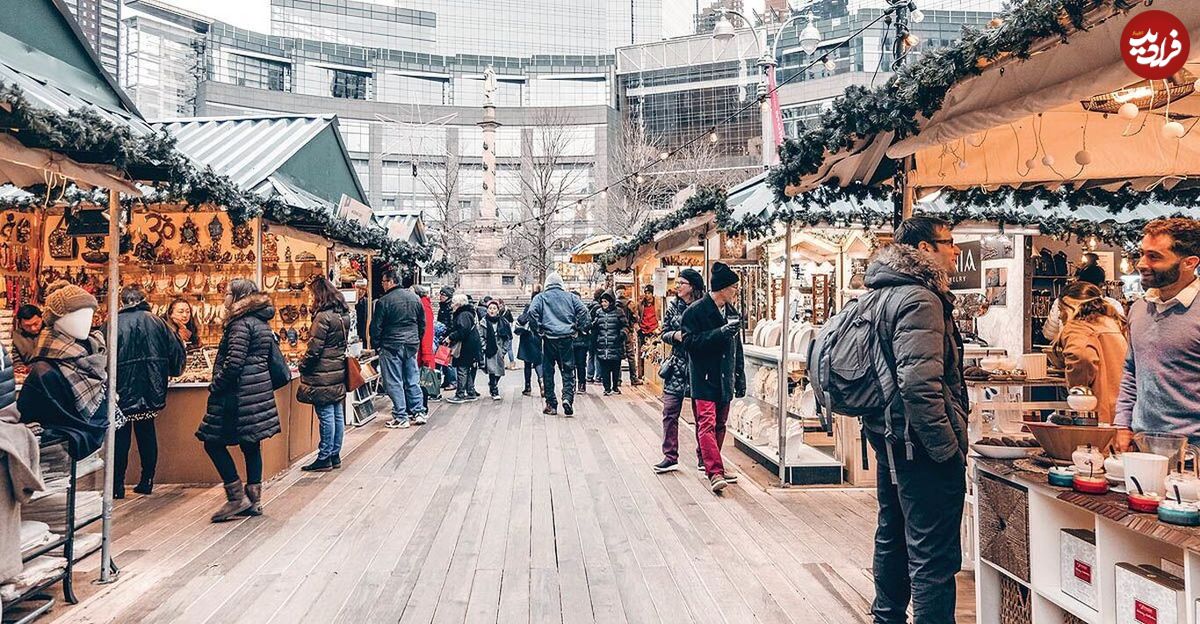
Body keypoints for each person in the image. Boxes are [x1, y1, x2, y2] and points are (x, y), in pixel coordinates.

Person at [859, 216, 969, 624]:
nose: (956, 250)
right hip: (918, 442)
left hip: (889, 436)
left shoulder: (879, 293)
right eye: (949, 242)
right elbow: (919, 383)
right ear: (925, 249)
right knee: (933, 555)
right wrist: (947, 447)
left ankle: (886, 616)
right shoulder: (921, 300)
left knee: (894, 534)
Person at [197, 280, 281, 522]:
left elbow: (234, 363)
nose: (224, 298)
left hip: (237, 394)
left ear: (238, 297)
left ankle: (236, 497)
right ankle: (254, 499)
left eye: (227, 294)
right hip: (256, 393)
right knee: (251, 443)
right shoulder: (260, 322)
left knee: (211, 442)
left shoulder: (240, 325)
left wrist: (216, 385)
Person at [1116, 218, 1200, 449]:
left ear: (1189, 263)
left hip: (1193, 453)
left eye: (1154, 256)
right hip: (1141, 446)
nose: (1142, 264)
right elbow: (1132, 371)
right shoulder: (1140, 308)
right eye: (1142, 254)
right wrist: (1122, 425)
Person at [17, 283, 108, 460]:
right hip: (58, 456)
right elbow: (27, 414)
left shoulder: (93, 355)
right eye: (77, 315)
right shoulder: (44, 371)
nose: (86, 321)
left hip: (85, 457)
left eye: (89, 314)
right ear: (56, 319)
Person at [680, 262, 746, 493]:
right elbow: (689, 343)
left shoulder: (732, 312)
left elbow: (737, 346)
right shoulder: (695, 312)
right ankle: (714, 470)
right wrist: (718, 334)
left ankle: (713, 461)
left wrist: (739, 374)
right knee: (706, 424)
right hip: (704, 377)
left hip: (724, 376)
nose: (736, 292)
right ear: (722, 289)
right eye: (733, 288)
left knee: (720, 424)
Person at [114, 287, 185, 498]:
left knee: (121, 435)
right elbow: (175, 356)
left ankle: (117, 484)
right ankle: (147, 480)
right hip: (150, 387)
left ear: (123, 301)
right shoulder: (158, 322)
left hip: (121, 389)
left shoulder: (113, 323)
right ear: (143, 299)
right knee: (146, 431)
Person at [1049, 282, 1128, 425]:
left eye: (1061, 309)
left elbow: (1082, 356)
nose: (1060, 315)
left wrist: (1078, 391)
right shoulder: (1114, 323)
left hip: (1094, 413)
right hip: (1122, 411)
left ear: (1070, 306)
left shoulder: (1078, 327)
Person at [653, 268, 704, 473]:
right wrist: (675, 335)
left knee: (701, 415)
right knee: (669, 411)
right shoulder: (673, 306)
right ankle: (670, 455)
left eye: (681, 283)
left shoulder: (703, 307)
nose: (677, 286)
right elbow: (664, 332)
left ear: (692, 286)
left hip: (699, 366)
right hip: (676, 365)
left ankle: (704, 456)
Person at [298, 277, 351, 473]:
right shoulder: (342, 315)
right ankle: (335, 453)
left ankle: (325, 456)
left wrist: (303, 365)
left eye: (312, 294)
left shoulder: (323, 317)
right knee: (336, 412)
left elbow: (314, 349)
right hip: (336, 368)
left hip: (322, 371)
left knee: (326, 414)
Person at [526, 272, 589, 416]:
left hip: (549, 338)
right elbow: (584, 312)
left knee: (548, 372)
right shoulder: (571, 297)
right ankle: (567, 398)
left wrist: (538, 329)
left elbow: (531, 313)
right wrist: (578, 328)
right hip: (566, 338)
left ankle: (551, 404)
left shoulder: (540, 297)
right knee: (568, 370)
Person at [370, 269, 427, 429]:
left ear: (390, 282)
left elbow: (376, 327)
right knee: (412, 379)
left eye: (383, 282)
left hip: (391, 345)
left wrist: (377, 345)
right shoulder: (415, 298)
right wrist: (416, 339)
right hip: (411, 344)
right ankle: (418, 411)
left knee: (394, 381)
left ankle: (401, 415)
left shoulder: (384, 301)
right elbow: (422, 323)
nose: (382, 285)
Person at [1042, 252, 1125, 342]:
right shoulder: (1113, 304)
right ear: (1101, 285)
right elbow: (1120, 336)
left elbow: (1049, 334)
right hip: (1102, 353)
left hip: (1067, 351)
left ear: (1078, 281)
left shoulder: (1062, 301)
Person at [446, 293, 483, 404]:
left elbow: (463, 330)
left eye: (453, 302)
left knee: (462, 369)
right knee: (467, 368)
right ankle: (470, 392)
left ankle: (460, 394)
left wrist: (450, 337)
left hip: (466, 346)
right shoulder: (467, 313)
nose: (451, 305)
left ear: (458, 304)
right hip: (470, 345)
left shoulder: (463, 315)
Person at [591, 291, 626, 395]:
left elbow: (625, 325)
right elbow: (595, 326)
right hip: (602, 344)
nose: (603, 304)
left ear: (611, 302)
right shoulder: (599, 312)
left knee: (615, 367)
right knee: (604, 368)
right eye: (602, 302)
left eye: (605, 301)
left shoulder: (619, 312)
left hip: (615, 344)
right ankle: (606, 388)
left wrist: (622, 334)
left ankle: (615, 386)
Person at [480, 299, 512, 400]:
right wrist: (484, 346)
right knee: (492, 370)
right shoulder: (483, 322)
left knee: (499, 371)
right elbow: (480, 336)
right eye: (490, 308)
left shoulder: (503, 322)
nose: (492, 310)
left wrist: (504, 350)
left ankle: (493, 384)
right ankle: (494, 390)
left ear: (498, 310)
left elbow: (507, 337)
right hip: (489, 349)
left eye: (494, 308)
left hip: (499, 350)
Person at [415, 285, 438, 404]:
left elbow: (427, 333)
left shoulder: (424, 307)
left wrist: (426, 355)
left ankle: (422, 407)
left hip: (422, 351)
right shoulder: (423, 306)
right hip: (421, 350)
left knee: (422, 380)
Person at [515, 303, 544, 397]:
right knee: (538, 362)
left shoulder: (527, 308)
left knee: (527, 364)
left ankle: (527, 387)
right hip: (536, 338)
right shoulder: (540, 307)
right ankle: (541, 381)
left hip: (525, 339)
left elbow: (521, 320)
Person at [616, 288, 641, 386]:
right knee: (630, 356)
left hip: (617, 333)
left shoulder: (614, 305)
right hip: (628, 333)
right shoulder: (630, 304)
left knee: (618, 356)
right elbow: (636, 318)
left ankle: (617, 380)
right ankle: (634, 378)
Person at [436, 286, 458, 392]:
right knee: (442, 359)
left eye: (443, 295)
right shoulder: (443, 307)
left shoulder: (449, 308)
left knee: (448, 360)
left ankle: (453, 381)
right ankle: (447, 380)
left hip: (448, 337)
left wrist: (447, 334)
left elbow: (451, 324)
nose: (440, 296)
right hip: (443, 336)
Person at [637, 285, 659, 378]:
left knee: (653, 353)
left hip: (654, 331)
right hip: (643, 331)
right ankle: (642, 374)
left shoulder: (657, 304)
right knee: (642, 353)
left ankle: (652, 376)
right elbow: (637, 317)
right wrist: (639, 329)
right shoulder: (641, 305)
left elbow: (659, 316)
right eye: (646, 293)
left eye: (649, 293)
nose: (647, 295)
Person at [571, 291, 591, 394]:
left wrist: (577, 327)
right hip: (570, 342)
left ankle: (582, 384)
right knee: (571, 364)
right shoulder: (568, 310)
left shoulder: (584, 311)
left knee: (581, 364)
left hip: (582, 342)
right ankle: (572, 384)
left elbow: (588, 324)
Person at [586, 288, 604, 383]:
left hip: (590, 334)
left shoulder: (590, 306)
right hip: (597, 334)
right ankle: (598, 375)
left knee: (591, 355)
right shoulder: (598, 308)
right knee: (597, 355)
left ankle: (589, 375)